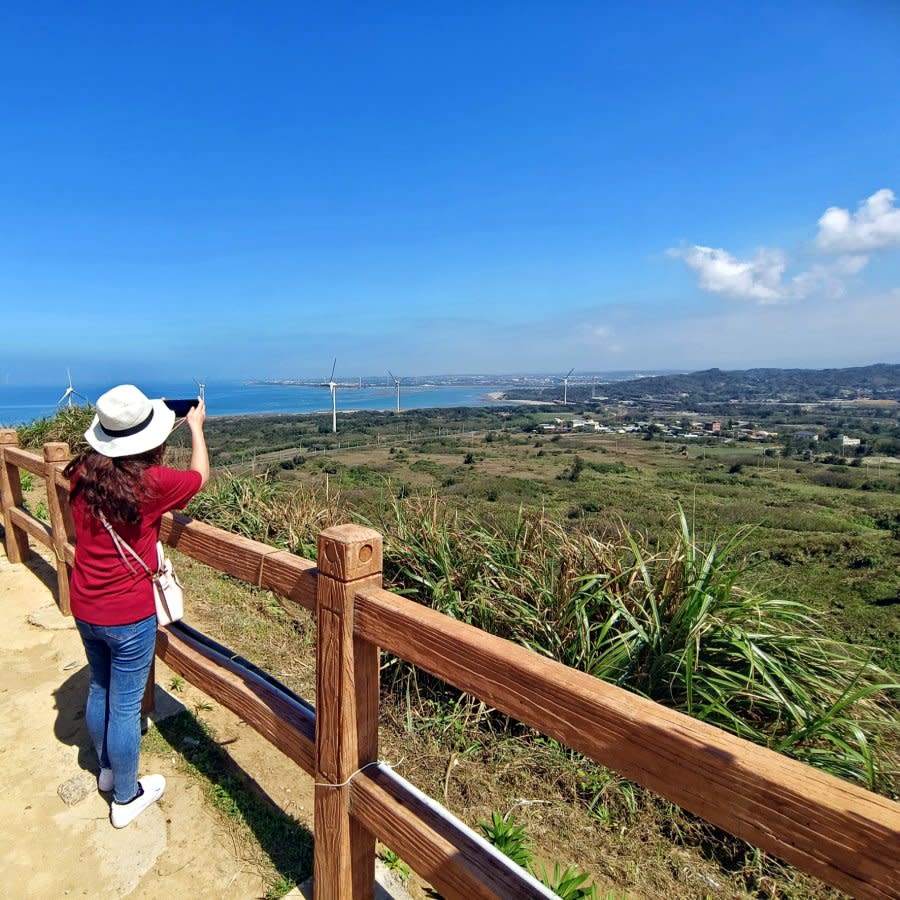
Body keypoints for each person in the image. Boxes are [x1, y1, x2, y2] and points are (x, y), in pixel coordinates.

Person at [63, 384, 209, 828]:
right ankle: (126, 797)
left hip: (85, 604)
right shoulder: (150, 484)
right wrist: (196, 429)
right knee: (126, 708)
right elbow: (199, 477)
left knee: (99, 688)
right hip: (128, 613)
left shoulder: (82, 472)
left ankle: (108, 772)